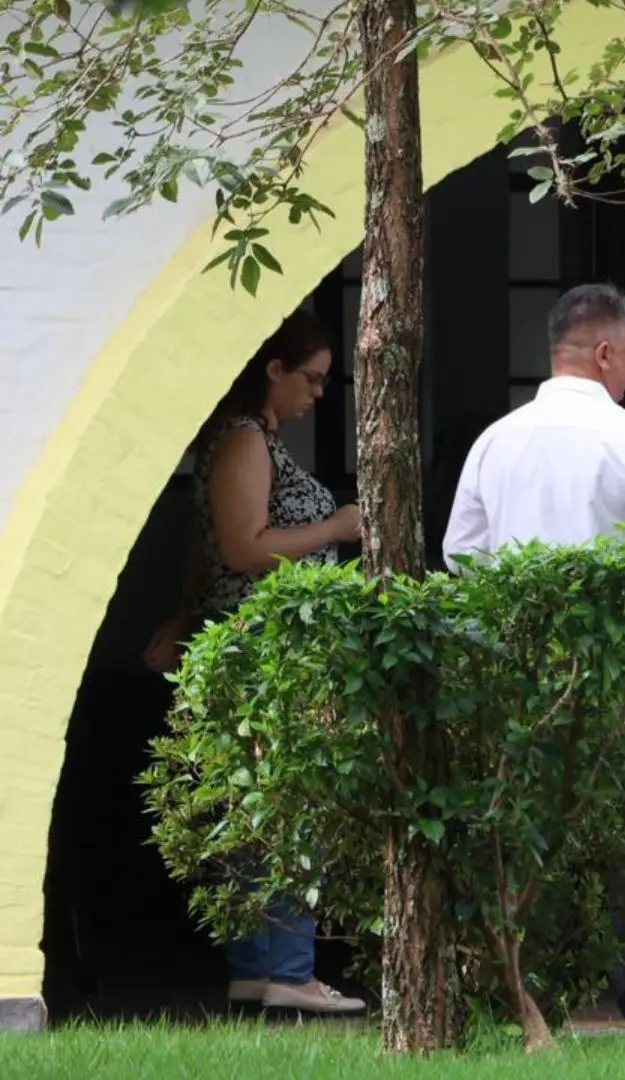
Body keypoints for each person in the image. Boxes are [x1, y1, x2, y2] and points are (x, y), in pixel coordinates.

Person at [442, 283, 625, 1031]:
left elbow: (461, 552)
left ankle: (530, 999)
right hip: (624, 671)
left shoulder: (495, 442)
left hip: (523, 672)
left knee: (528, 834)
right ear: (603, 354)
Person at [146, 308, 365, 1015]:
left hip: (261, 644)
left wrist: (184, 614)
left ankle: (259, 967)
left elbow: (207, 549)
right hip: (265, 650)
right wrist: (336, 527)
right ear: (273, 369)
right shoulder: (244, 438)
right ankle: (289, 971)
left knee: (260, 809)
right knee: (290, 804)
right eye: (312, 378)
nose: (319, 394)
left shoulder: (252, 438)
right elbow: (242, 546)